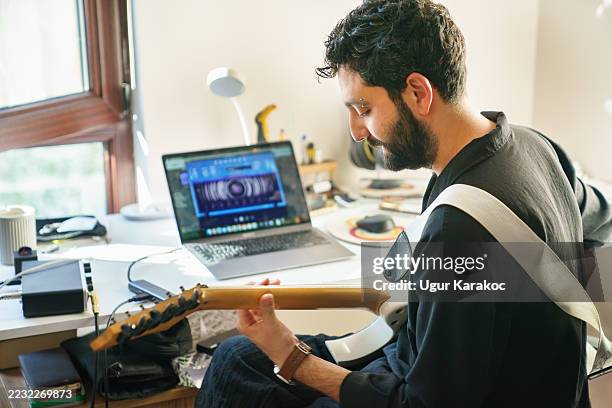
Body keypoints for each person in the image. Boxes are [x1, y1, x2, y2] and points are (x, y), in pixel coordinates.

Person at [196, 1, 611, 407]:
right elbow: (598, 219)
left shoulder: (459, 229)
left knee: (238, 366)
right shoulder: (532, 145)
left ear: (417, 92)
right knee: (239, 359)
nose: (358, 132)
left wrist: (290, 354)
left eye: (364, 108)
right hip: (458, 372)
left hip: (422, 390)